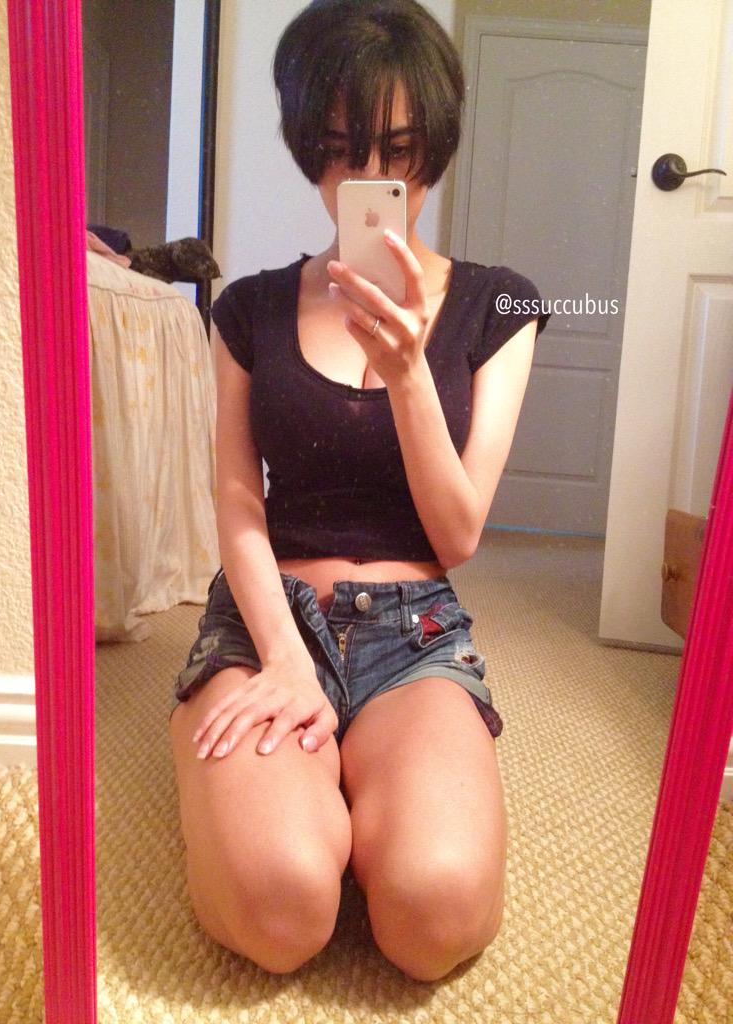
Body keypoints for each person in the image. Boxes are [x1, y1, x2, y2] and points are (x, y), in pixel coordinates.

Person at [169, 0, 549, 983]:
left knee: (436, 913)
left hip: (413, 633)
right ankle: (291, 802)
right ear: (309, 147)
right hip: (267, 615)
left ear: (437, 146)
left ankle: (357, 799)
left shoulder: (499, 304)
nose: (369, 178)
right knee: (281, 904)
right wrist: (284, 658)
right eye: (340, 149)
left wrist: (411, 371)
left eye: (399, 149)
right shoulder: (249, 308)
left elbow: (457, 533)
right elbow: (236, 500)